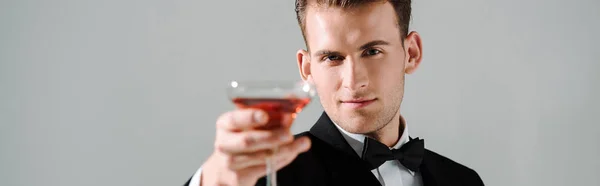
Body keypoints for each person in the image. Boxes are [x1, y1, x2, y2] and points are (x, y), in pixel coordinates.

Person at [185, 0, 484, 185]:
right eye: (332, 57)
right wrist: (213, 182)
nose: (353, 81)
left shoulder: (463, 180)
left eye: (372, 51)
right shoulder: (265, 176)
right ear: (307, 68)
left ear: (412, 53)